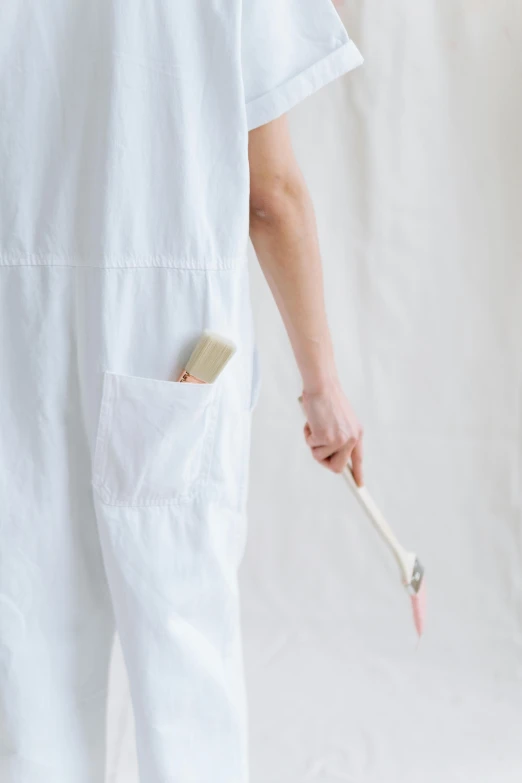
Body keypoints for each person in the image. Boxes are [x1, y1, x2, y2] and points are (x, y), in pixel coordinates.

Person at [0, 1, 363, 781]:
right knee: (183, 656)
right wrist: (322, 384)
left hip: (16, 326)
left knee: (28, 646)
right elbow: (272, 196)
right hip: (172, 341)